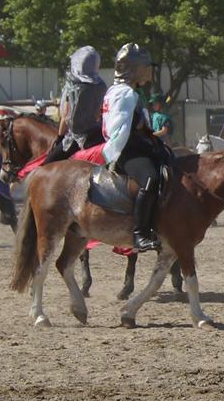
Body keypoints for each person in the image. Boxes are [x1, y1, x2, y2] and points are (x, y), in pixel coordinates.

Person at [102, 43, 166, 252]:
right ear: (136, 69)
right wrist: (147, 145)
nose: (150, 71)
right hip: (127, 151)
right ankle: (140, 233)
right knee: (151, 179)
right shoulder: (125, 94)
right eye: (147, 67)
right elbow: (119, 131)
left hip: (135, 145)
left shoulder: (126, 91)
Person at [43, 45, 107, 164]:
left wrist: (60, 138)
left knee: (47, 165)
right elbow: (99, 112)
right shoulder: (101, 85)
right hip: (98, 134)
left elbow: (66, 117)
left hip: (77, 139)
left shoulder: (74, 87)